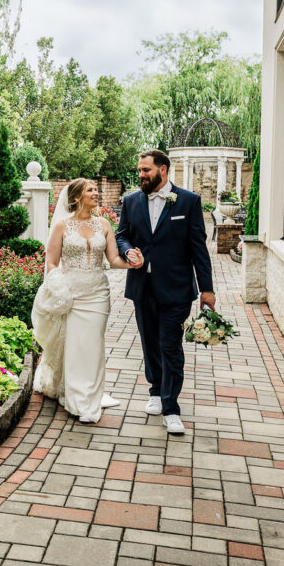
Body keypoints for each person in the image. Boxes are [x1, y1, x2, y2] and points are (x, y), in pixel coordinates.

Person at [115, 149, 214, 435]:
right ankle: (156, 390)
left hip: (177, 289)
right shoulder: (131, 201)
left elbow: (199, 249)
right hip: (142, 287)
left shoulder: (189, 201)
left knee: (170, 346)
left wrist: (207, 290)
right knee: (150, 342)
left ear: (163, 170)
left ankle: (171, 408)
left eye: (146, 170)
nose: (141, 175)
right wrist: (128, 250)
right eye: (139, 170)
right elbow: (122, 234)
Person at [31, 178, 142, 423]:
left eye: (95, 189)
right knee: (75, 345)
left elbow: (113, 259)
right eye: (90, 190)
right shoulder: (61, 226)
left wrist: (132, 262)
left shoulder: (103, 224)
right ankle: (76, 398)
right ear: (76, 197)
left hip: (98, 294)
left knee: (93, 345)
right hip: (71, 295)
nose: (96, 193)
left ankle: (90, 396)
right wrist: (58, 285)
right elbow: (51, 262)